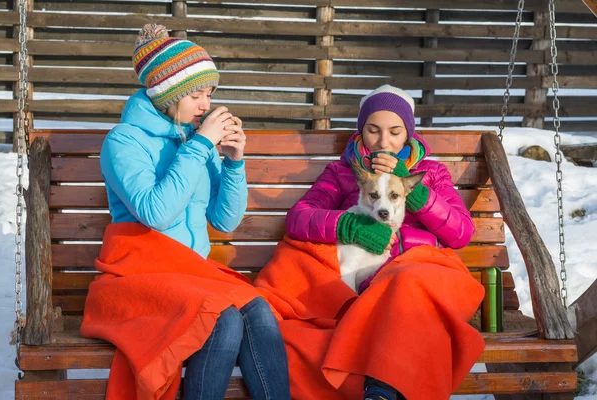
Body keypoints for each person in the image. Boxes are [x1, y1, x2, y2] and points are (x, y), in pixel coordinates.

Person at [81, 24, 290, 400]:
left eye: (209, 93)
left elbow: (224, 221)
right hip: (139, 275)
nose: (205, 105)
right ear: (167, 94)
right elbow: (155, 212)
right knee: (221, 317)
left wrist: (233, 164)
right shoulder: (124, 141)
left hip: (191, 273)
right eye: (195, 94)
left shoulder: (194, 140)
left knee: (256, 309)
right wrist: (201, 146)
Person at [274, 85, 484, 399]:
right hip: (366, 279)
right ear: (361, 132)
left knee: (409, 285)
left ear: (409, 135)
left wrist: (415, 193)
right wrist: (346, 224)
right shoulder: (343, 173)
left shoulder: (430, 173)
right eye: (373, 130)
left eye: (395, 132)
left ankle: (383, 389)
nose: (383, 142)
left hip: (420, 273)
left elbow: (461, 233)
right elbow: (299, 218)